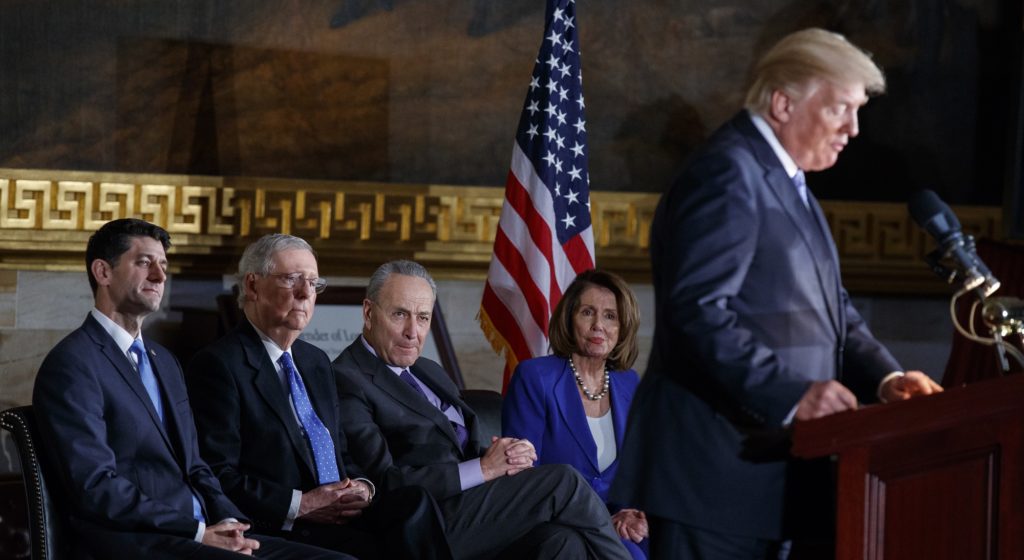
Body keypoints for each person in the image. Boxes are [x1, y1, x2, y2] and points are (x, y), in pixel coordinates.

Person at [609, 28, 944, 559]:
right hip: (716, 476)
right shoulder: (726, 173)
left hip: (771, 479)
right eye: (840, 109)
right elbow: (698, 311)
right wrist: (792, 393)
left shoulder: (787, 180)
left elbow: (835, 313)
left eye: (857, 112)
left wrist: (886, 378)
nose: (853, 130)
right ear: (784, 103)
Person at [31, 218, 346, 559]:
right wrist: (197, 531)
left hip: (203, 533)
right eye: (144, 263)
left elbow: (197, 466)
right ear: (103, 272)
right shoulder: (73, 364)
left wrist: (230, 522)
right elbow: (95, 485)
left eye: (163, 265)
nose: (160, 276)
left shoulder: (164, 361)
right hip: (137, 541)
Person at [332, 260, 631, 560]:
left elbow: (462, 447)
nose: (413, 331)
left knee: (564, 541)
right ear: (369, 313)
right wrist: (485, 469)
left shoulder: (428, 370)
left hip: (471, 510)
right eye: (400, 314)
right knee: (563, 481)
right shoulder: (347, 378)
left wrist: (505, 455)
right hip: (422, 522)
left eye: (423, 318)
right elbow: (385, 482)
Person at [186, 234, 452, 559]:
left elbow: (340, 451)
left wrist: (362, 487)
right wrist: (302, 505)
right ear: (253, 287)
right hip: (285, 522)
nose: (304, 293)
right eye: (291, 280)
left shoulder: (315, 361)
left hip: (340, 511)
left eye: (312, 283)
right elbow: (217, 474)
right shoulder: (218, 365)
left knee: (414, 503)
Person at [502, 269, 649, 559]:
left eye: (610, 316)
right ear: (569, 319)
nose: (598, 325)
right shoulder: (535, 377)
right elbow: (524, 477)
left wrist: (632, 512)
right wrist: (598, 521)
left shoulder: (628, 382)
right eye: (587, 312)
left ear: (623, 328)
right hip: (557, 521)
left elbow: (638, 470)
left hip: (614, 523)